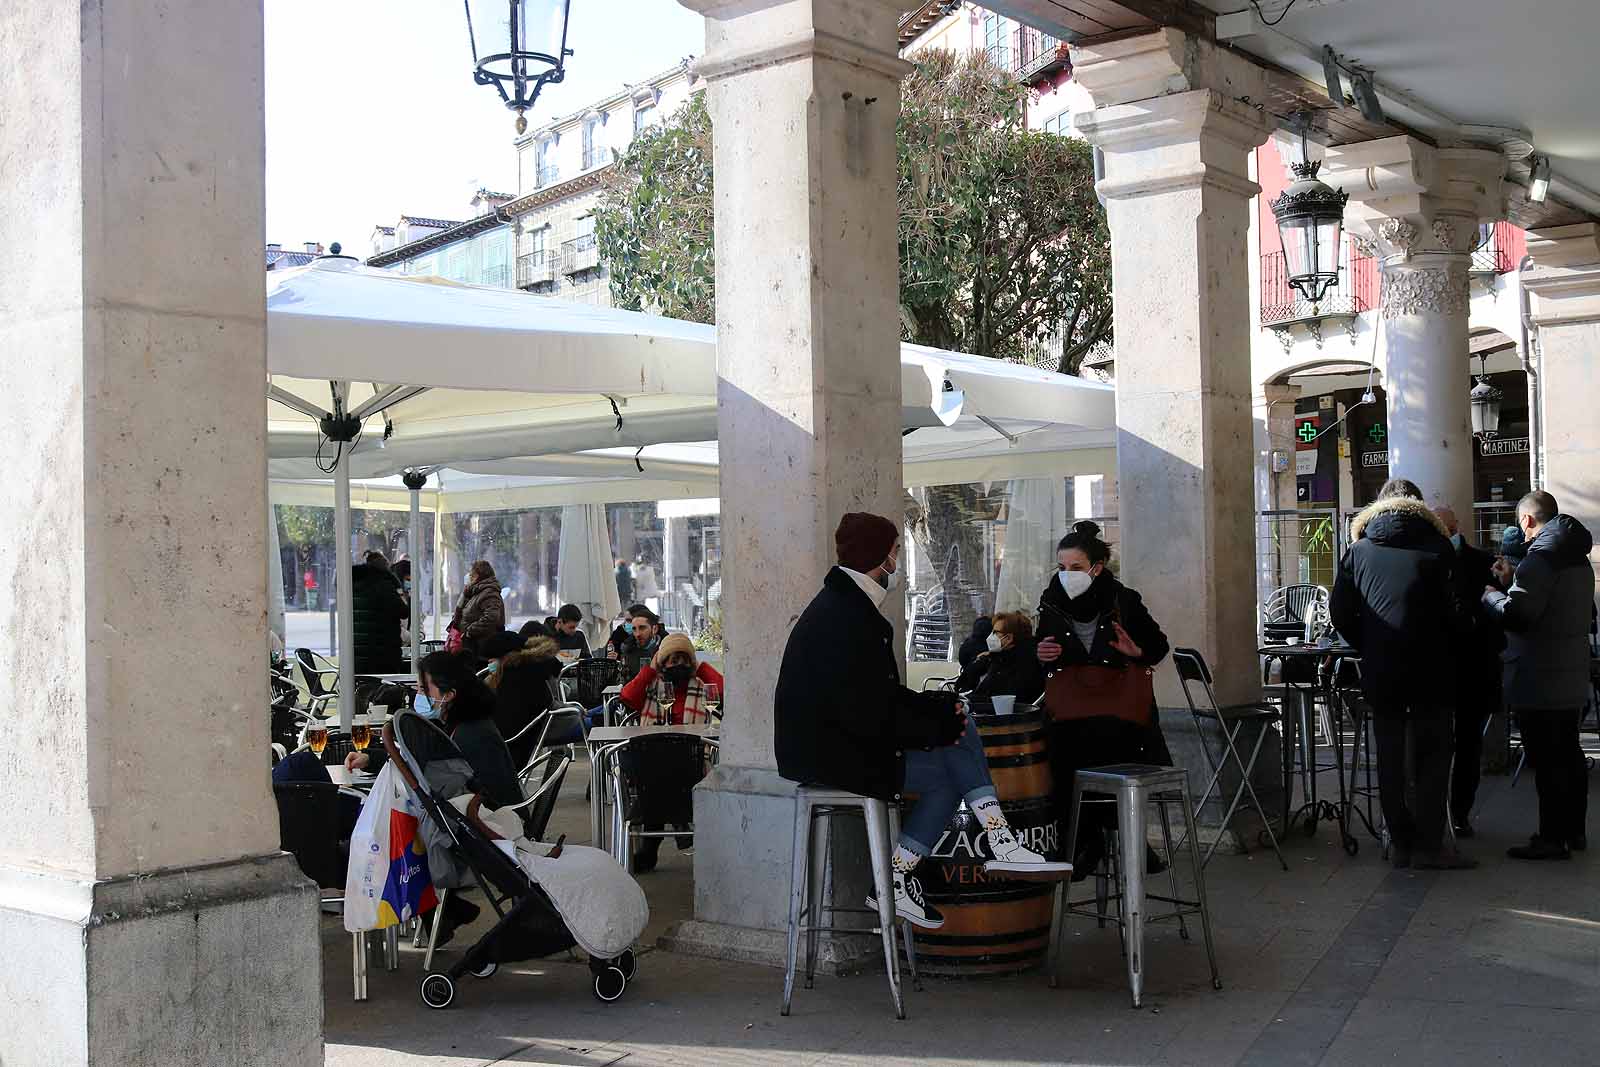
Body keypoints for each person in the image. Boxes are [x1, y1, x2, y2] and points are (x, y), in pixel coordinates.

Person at [776, 513, 1066, 930]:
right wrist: (937, 724)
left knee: (951, 747)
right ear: (881, 558)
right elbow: (869, 708)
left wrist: (936, 713)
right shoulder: (850, 616)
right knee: (955, 735)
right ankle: (999, 840)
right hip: (834, 753)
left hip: (827, 746)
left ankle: (898, 876)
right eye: (895, 552)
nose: (899, 561)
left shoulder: (842, 606)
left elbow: (873, 697)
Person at [1331, 478, 1474, 870]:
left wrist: (1370, 644)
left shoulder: (1358, 551)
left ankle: (1400, 842)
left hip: (1383, 670)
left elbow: (1340, 612)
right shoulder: (1439, 547)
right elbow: (1459, 611)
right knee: (1434, 754)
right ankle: (1430, 843)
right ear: (1420, 506)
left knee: (1390, 755)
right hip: (1434, 670)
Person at [347, 651, 524, 944]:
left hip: (487, 827)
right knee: (414, 829)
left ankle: (442, 914)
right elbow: (418, 758)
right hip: (479, 820)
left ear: (449, 694)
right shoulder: (464, 724)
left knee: (403, 835)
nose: (418, 693)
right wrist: (371, 757)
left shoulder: (469, 734)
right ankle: (444, 913)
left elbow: (423, 765)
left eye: (424, 688)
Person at [1033, 521, 1172, 877]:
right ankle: (1105, 836)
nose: (1067, 575)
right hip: (1072, 706)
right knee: (1061, 745)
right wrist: (1043, 652)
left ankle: (1094, 837)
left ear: (1097, 568)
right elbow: (1043, 648)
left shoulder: (1124, 600)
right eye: (1062, 568)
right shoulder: (1050, 601)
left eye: (1076, 568)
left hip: (1121, 711)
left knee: (1102, 743)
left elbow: (1157, 647)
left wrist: (1135, 650)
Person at [1482, 491, 1595, 860]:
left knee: (1547, 761)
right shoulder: (1577, 558)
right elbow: (1557, 604)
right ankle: (1573, 831)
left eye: (1521, 523)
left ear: (1528, 521)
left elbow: (1519, 617)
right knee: (1568, 754)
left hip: (1539, 674)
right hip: (1570, 672)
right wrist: (1515, 579)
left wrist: (1491, 596)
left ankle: (1551, 838)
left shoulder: (1539, 560)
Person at [1431, 506, 1506, 838]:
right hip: (1463, 671)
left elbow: (1494, 616)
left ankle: (1454, 812)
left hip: (1463, 670)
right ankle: (1454, 813)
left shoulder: (1473, 561)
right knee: (1462, 745)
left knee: (1459, 745)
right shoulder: (1470, 561)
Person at [480, 630, 567, 770]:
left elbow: (506, 723)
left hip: (509, 749)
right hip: (524, 741)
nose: (489, 666)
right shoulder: (531, 672)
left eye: (491, 661)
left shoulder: (513, 681)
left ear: (504, 658)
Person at [618, 633, 724, 726]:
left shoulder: (700, 687)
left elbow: (726, 695)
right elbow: (627, 697)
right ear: (663, 665)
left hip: (692, 746)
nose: (680, 665)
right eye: (674, 661)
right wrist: (650, 670)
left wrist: (701, 669)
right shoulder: (651, 687)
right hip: (654, 745)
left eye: (685, 661)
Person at [954, 611, 1045, 706]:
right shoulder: (997, 657)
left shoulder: (1022, 663)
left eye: (995, 632)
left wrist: (968, 701)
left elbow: (999, 697)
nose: (991, 636)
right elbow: (963, 685)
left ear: (1009, 638)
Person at [350, 550, 408, 673]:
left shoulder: (352, 586)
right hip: (383, 656)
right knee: (384, 691)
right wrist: (399, 590)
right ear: (385, 568)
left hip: (356, 657)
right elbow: (404, 612)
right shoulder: (384, 585)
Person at [449, 560, 505, 658]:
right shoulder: (474, 592)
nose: (469, 578)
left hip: (480, 646)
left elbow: (491, 617)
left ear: (480, 576)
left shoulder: (489, 593)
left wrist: (469, 632)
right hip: (471, 644)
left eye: (472, 575)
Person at [608, 609, 662, 682]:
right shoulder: (627, 651)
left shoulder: (665, 651)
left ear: (654, 629)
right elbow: (622, 680)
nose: (637, 634)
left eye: (642, 628)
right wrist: (612, 666)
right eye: (634, 629)